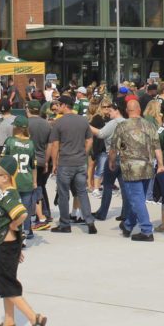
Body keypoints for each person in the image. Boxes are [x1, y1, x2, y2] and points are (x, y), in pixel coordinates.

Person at [0, 157, 46, 325]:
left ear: (5, 177)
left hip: (5, 247)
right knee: (5, 284)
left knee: (8, 286)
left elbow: (22, 214)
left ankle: (34, 318)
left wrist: (13, 224)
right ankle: (9, 321)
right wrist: (18, 247)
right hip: (7, 247)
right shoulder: (8, 193)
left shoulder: (8, 196)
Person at [110, 100, 161, 241]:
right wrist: (161, 164)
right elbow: (157, 147)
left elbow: (114, 148)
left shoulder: (122, 126)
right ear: (139, 109)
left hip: (131, 168)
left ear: (127, 110)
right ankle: (128, 225)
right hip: (147, 167)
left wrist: (111, 161)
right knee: (138, 199)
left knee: (136, 199)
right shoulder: (150, 125)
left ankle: (146, 230)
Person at [48, 96, 95, 234]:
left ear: (64, 105)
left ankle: (65, 224)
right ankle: (90, 222)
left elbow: (55, 145)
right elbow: (90, 140)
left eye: (58, 105)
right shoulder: (83, 120)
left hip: (65, 162)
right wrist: (83, 153)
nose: (57, 107)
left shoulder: (59, 122)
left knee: (64, 194)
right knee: (82, 192)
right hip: (80, 162)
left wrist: (54, 163)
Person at [2, 115, 37, 242]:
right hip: (26, 179)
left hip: (13, 180)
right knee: (25, 209)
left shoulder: (10, 141)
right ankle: (25, 233)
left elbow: (3, 161)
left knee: (11, 208)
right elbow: (33, 166)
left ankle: (13, 231)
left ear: (16, 128)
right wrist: (34, 181)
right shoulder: (31, 144)